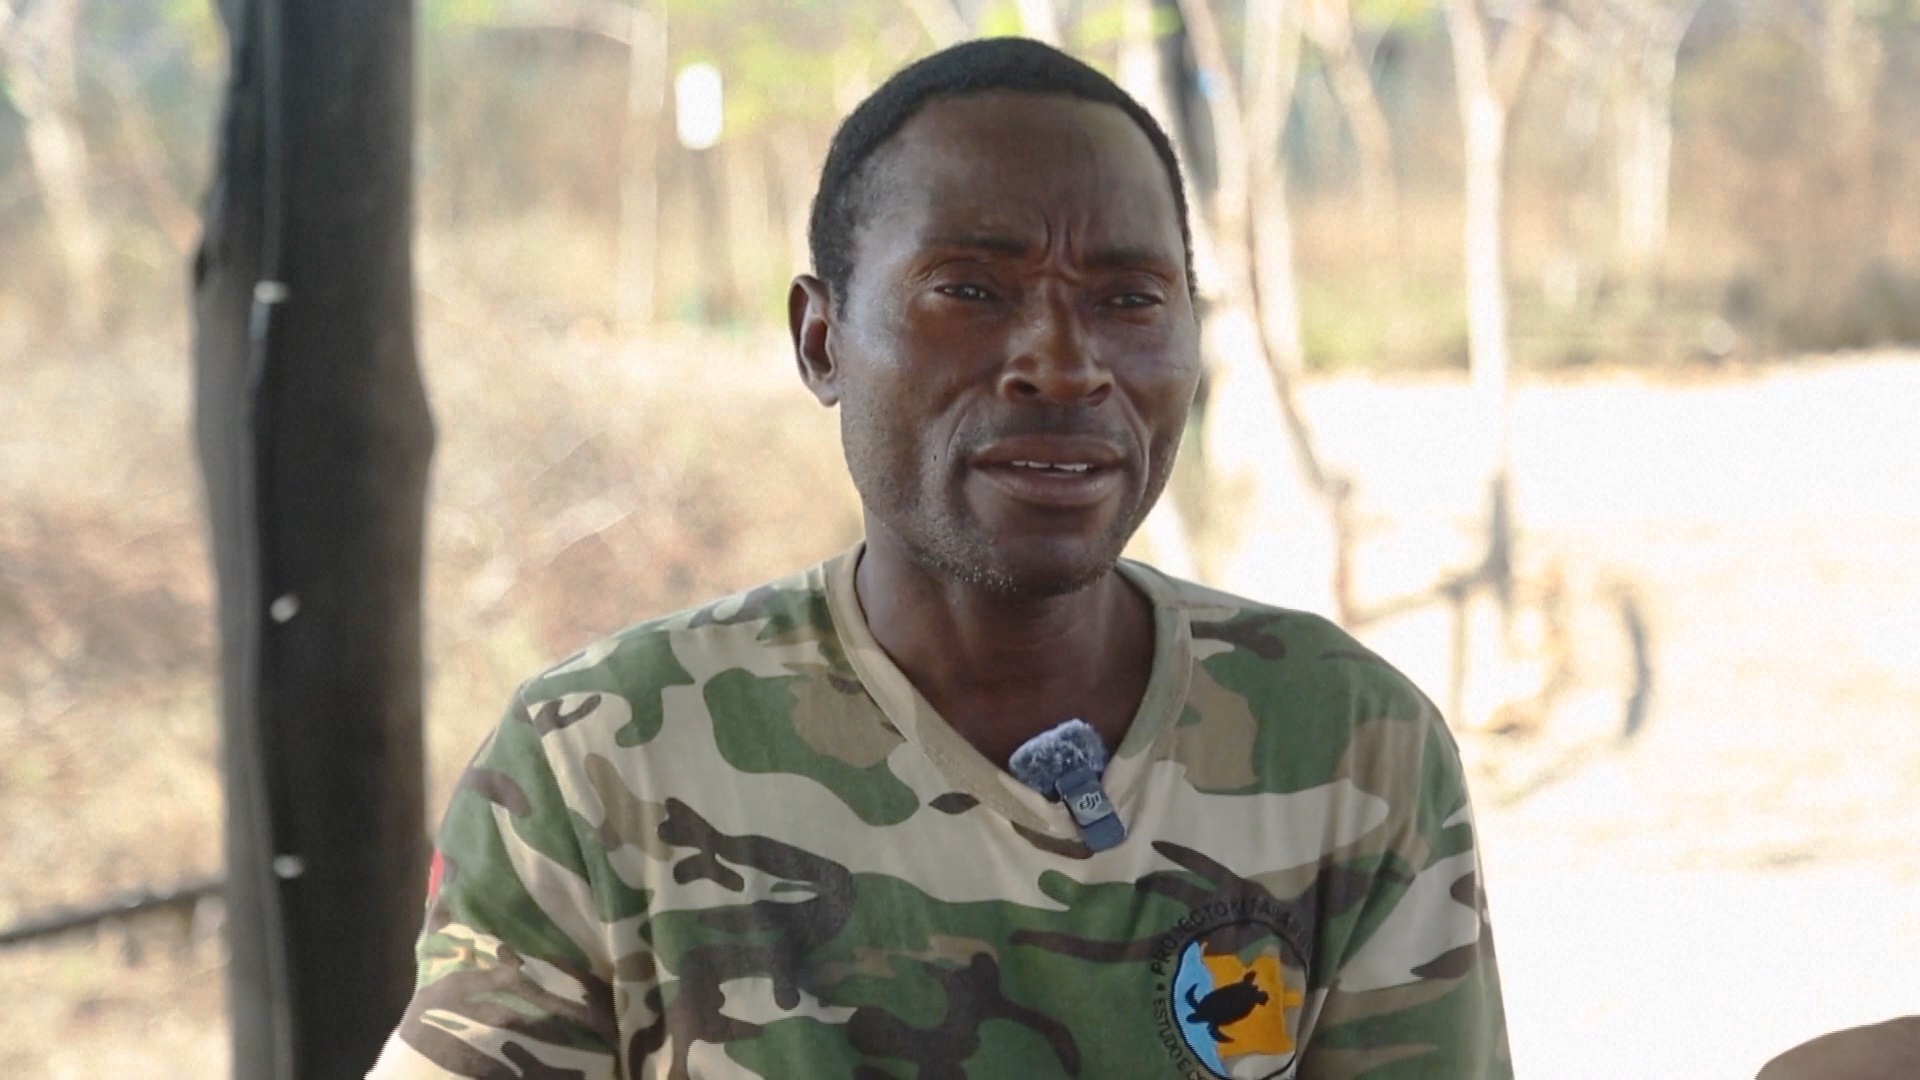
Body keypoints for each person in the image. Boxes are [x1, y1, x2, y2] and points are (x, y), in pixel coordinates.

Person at [368, 36, 1508, 1080]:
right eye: (970, 290)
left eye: (1130, 299)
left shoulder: (1349, 744)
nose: (1064, 364)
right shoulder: (600, 762)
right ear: (822, 340)